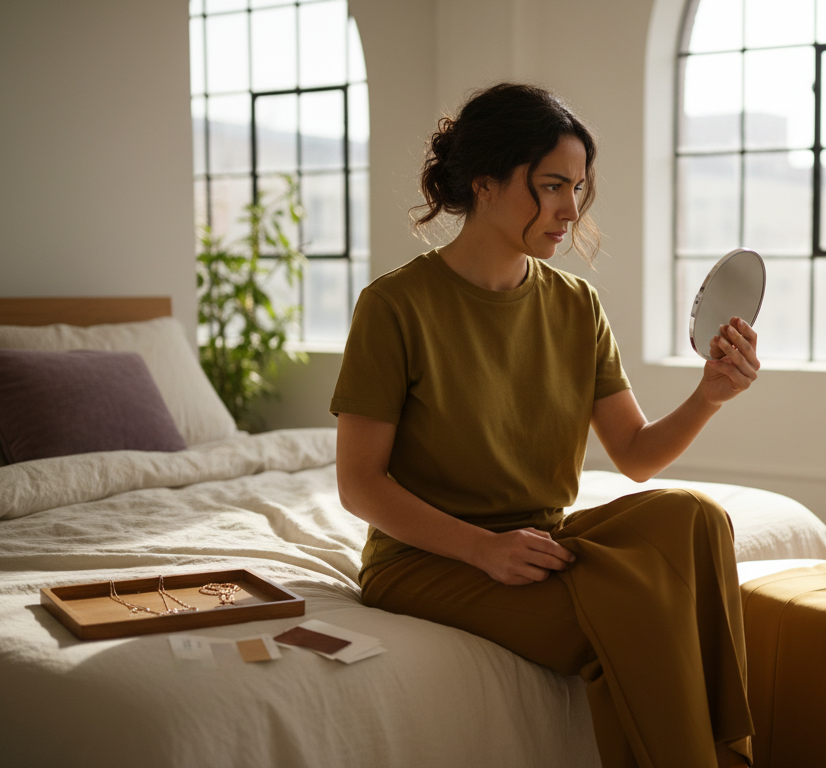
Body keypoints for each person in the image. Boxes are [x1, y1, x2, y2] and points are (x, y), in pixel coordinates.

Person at [330, 82, 762, 768]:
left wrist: (708, 394)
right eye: (552, 186)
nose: (569, 210)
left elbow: (636, 455)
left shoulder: (575, 305)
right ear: (487, 184)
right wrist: (481, 549)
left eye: (578, 188)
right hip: (427, 561)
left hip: (540, 539)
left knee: (697, 519)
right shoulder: (394, 306)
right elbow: (358, 484)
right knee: (639, 614)